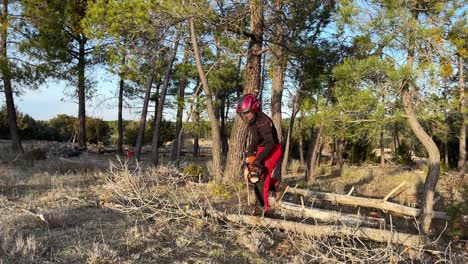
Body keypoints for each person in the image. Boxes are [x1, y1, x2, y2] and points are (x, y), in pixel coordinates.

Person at [236, 93, 285, 214]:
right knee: (252, 175)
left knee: (260, 175)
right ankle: (275, 185)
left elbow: (270, 143)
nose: (245, 116)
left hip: (273, 148)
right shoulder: (252, 121)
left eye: (247, 113)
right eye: (243, 114)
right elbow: (254, 140)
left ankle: (263, 210)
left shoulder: (263, 122)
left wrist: (258, 160)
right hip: (262, 147)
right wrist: (250, 154)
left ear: (254, 109)